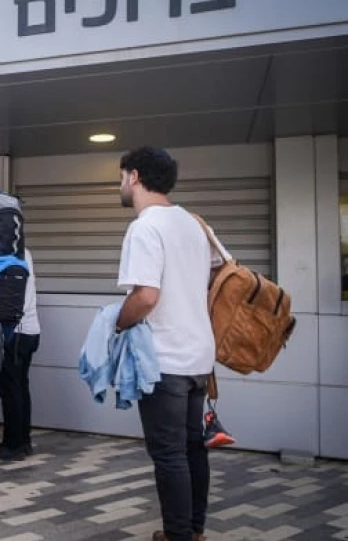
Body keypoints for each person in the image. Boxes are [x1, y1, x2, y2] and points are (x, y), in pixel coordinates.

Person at [116, 147, 223, 541]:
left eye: (121, 176)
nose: (120, 184)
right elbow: (217, 277)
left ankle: (178, 536)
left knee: (169, 454)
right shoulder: (193, 223)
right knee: (193, 447)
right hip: (199, 355)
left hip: (165, 359)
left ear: (135, 176)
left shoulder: (146, 226)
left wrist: (117, 324)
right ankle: (193, 530)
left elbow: (145, 296)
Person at [0, 248, 41, 461]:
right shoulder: (24, 252)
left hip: (14, 331)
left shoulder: (5, 254)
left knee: (10, 389)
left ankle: (13, 445)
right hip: (29, 329)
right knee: (20, 387)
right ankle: (20, 440)